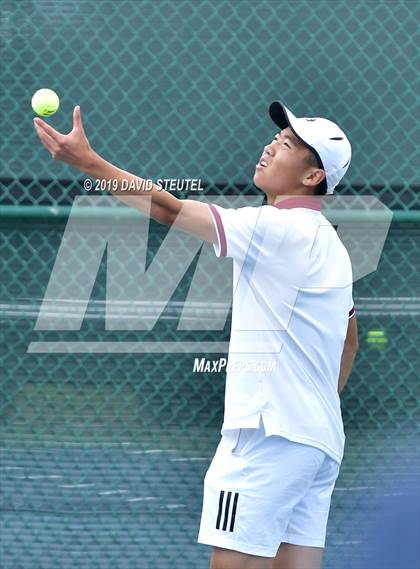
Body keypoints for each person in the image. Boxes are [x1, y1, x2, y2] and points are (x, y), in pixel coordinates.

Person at [33, 100, 359, 569]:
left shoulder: (277, 227)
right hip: (317, 442)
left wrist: (87, 162)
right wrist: (311, 407)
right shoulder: (331, 242)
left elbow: (168, 210)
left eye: (286, 144)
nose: (270, 146)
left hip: (265, 438)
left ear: (312, 177)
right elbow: (349, 338)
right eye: (275, 137)